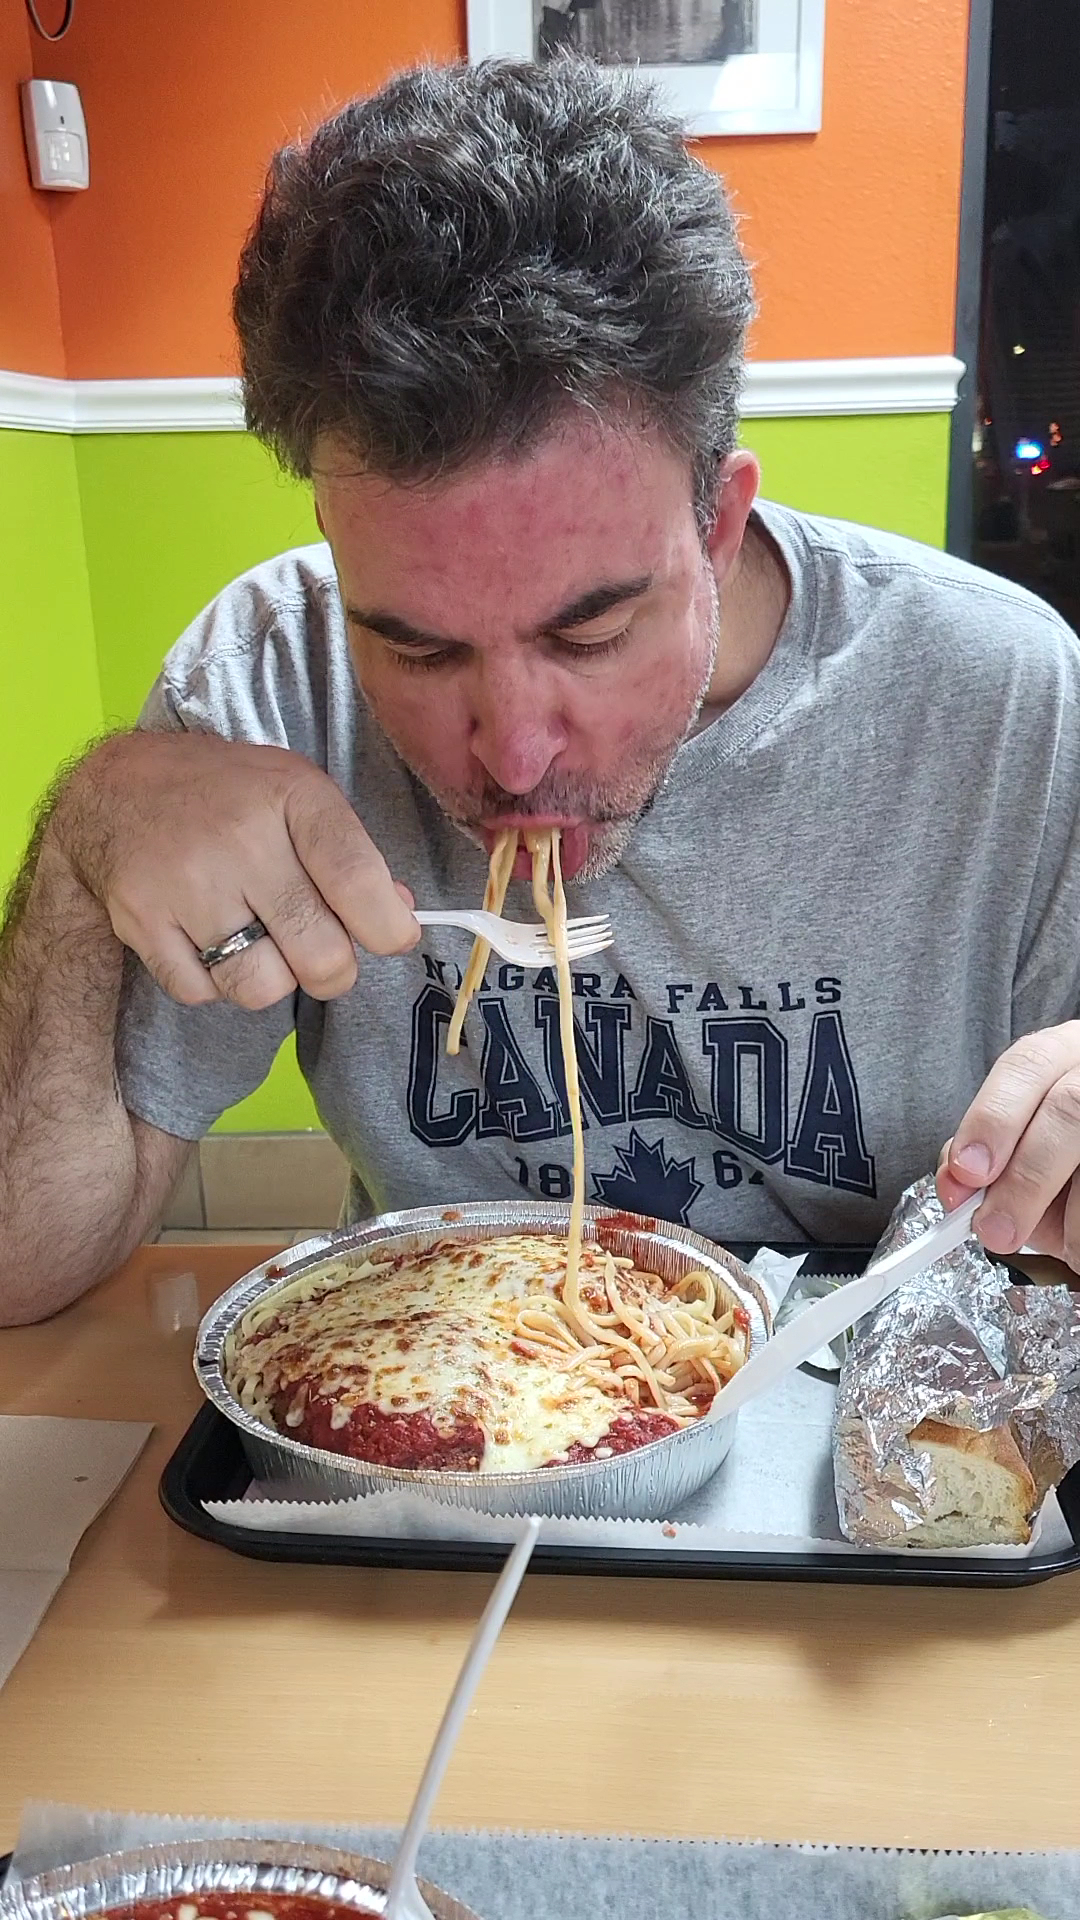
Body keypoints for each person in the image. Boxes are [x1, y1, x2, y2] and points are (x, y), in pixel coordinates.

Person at [2, 56, 1080, 1329]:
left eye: (591, 633)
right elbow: (22, 1266)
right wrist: (80, 844)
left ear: (718, 526)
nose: (512, 757)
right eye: (417, 651)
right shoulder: (268, 688)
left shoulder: (998, 700)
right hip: (439, 1403)